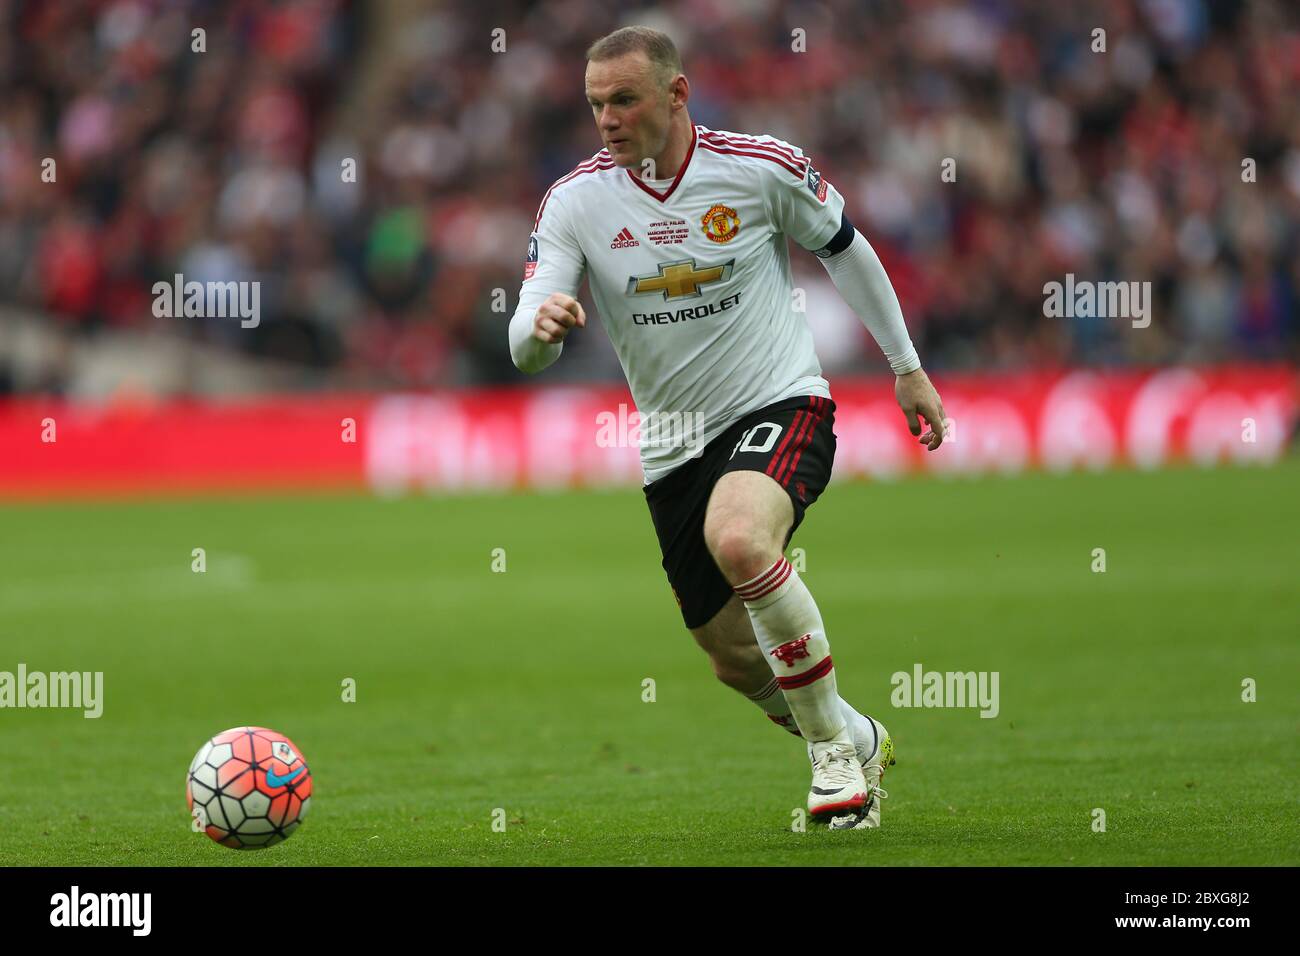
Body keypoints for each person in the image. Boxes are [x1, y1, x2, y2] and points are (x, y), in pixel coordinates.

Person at [509, 26, 947, 829]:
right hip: (673, 443)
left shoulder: (759, 167)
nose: (606, 118)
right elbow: (524, 337)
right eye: (595, 103)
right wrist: (540, 330)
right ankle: (855, 732)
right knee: (731, 656)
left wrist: (906, 365)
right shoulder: (575, 200)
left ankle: (835, 766)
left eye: (624, 99)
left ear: (677, 94)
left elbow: (846, 248)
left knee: (742, 540)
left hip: (781, 402)